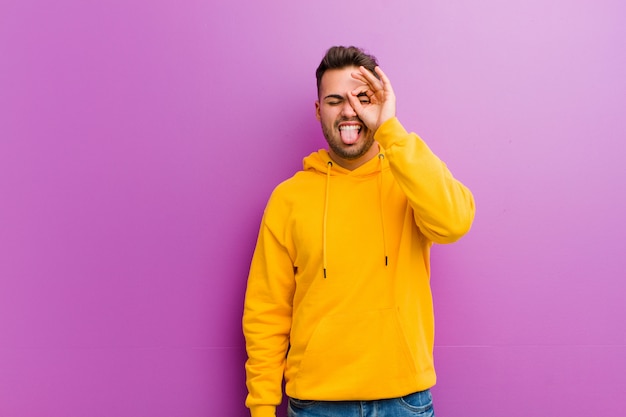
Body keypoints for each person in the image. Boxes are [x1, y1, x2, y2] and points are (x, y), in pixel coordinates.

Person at [242, 46, 475, 417]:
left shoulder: (408, 181)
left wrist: (390, 129)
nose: (350, 111)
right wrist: (262, 406)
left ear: (380, 105)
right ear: (319, 111)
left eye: (362, 99)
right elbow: (265, 312)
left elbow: (454, 222)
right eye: (335, 100)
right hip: (316, 404)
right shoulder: (288, 199)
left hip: (404, 402)